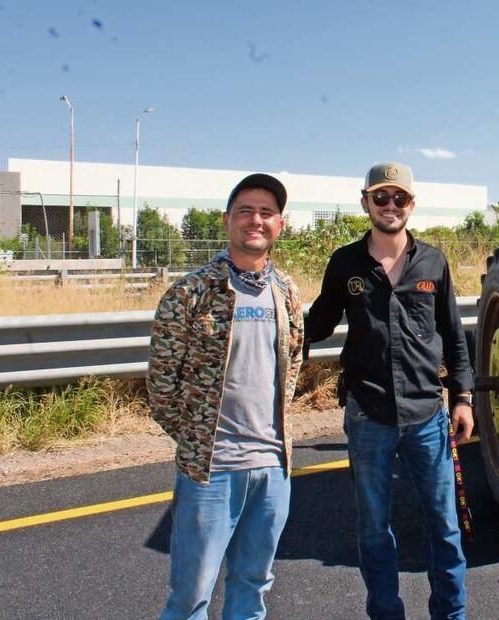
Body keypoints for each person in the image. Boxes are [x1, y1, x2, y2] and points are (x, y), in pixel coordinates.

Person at [306, 162, 474, 619]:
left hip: (427, 415)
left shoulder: (434, 262)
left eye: (399, 198)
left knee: (444, 528)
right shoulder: (345, 263)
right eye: (381, 197)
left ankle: (451, 614)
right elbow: (318, 323)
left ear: (411, 205)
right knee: (375, 530)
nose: (390, 206)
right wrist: (273, 314)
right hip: (368, 414)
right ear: (365, 202)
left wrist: (463, 398)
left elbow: (454, 336)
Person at [147, 173, 304, 619]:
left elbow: (291, 367)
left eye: (267, 212)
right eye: (246, 211)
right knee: (190, 597)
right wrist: (200, 437)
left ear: (280, 224)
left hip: (274, 469)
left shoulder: (287, 292)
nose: (256, 219)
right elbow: (162, 387)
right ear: (226, 220)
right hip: (210, 471)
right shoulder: (191, 292)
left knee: (252, 590)